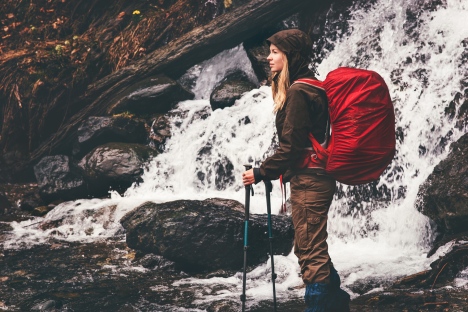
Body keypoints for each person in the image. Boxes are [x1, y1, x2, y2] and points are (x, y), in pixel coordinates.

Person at [241, 29, 350, 312]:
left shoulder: (300, 91)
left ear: (290, 56)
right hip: (314, 178)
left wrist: (260, 172)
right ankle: (338, 304)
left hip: (310, 181)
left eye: (275, 52)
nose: (268, 57)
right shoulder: (312, 85)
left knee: (310, 254)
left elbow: (290, 147)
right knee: (308, 248)